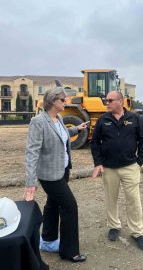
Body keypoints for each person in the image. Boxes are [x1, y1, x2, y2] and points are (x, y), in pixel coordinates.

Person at [23, 87, 87, 263]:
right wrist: (30, 181)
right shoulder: (38, 121)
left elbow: (62, 136)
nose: (66, 102)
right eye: (63, 100)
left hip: (63, 170)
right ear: (52, 101)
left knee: (52, 205)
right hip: (50, 175)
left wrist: (76, 129)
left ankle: (48, 241)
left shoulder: (58, 118)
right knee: (70, 206)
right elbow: (31, 152)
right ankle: (69, 251)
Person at [91, 91, 143, 251]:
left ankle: (137, 232)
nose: (106, 103)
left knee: (133, 200)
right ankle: (114, 226)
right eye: (106, 100)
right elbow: (95, 142)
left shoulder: (134, 119)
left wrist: (139, 161)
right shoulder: (103, 119)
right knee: (111, 199)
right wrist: (98, 163)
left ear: (120, 102)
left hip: (130, 167)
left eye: (110, 100)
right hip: (109, 168)